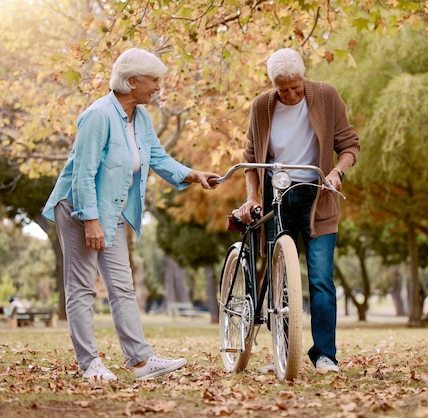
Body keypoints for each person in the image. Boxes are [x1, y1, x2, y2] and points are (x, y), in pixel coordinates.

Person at [42, 48, 220, 381]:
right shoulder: (98, 115)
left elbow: (159, 158)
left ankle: (139, 361)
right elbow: (83, 174)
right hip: (80, 207)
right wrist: (90, 220)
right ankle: (89, 364)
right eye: (154, 80)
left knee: (122, 287)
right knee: (82, 287)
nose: (157, 87)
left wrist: (193, 174)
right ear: (133, 80)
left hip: (113, 209)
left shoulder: (141, 118)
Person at [234, 48, 360, 373]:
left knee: (320, 279)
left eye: (295, 87)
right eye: (282, 88)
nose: (290, 94)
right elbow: (251, 158)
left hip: (319, 196)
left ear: (303, 78)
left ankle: (324, 355)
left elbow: (349, 145)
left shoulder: (326, 96)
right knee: (281, 281)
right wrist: (252, 198)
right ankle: (283, 353)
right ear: (273, 84)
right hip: (277, 197)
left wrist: (337, 173)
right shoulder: (262, 106)